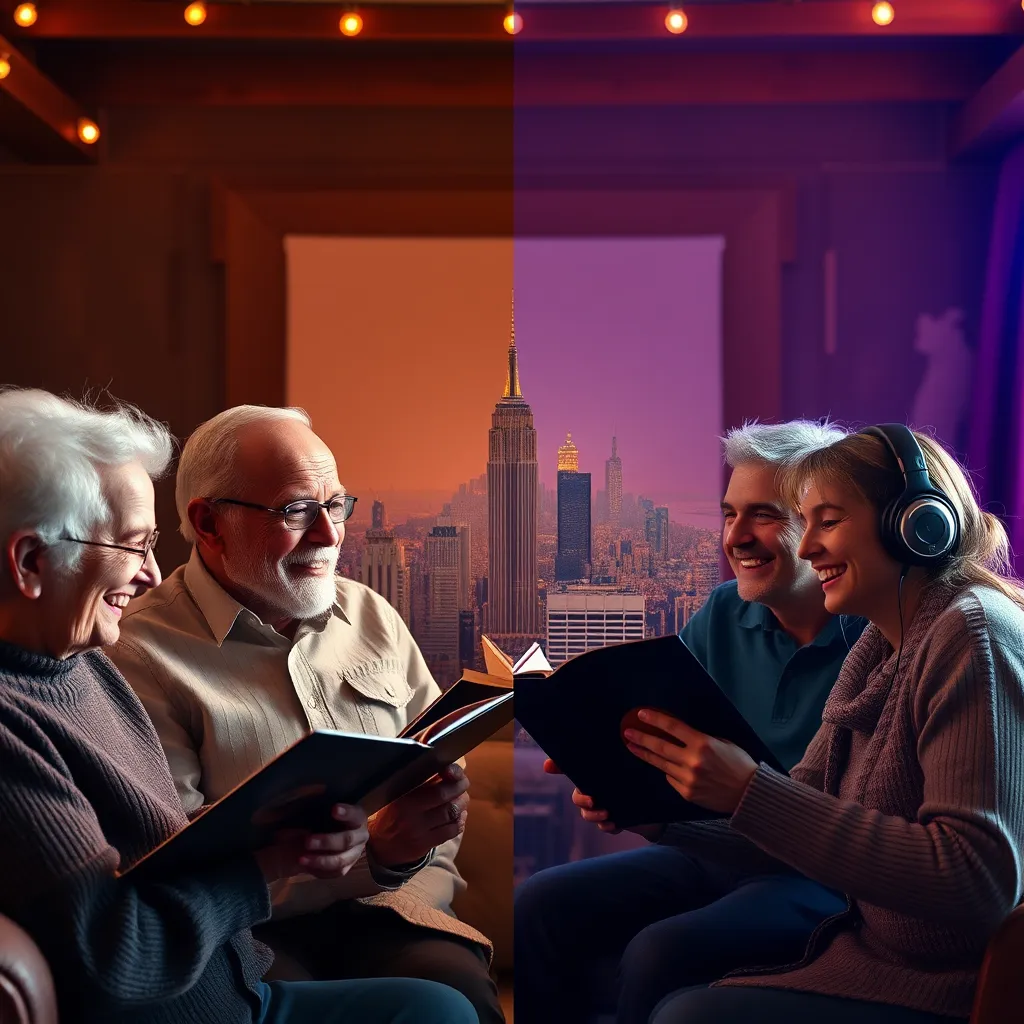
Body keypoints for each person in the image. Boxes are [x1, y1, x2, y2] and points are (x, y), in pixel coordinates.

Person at [0, 388, 477, 1024]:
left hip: (254, 966)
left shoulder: (80, 665)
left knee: (446, 997)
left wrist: (401, 852)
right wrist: (285, 864)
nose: (148, 574)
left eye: (336, 505)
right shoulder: (107, 664)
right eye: (132, 546)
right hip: (244, 958)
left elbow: (163, 860)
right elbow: (118, 944)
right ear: (32, 563)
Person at [627, 424, 1024, 1024]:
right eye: (803, 522)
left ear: (914, 525)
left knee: (685, 1013)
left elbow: (976, 881)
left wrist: (747, 789)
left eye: (827, 521)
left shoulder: (972, 633)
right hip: (866, 955)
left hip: (948, 988)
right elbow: (802, 806)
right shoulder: (882, 647)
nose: (808, 548)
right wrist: (665, 821)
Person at [515, 420, 864, 1024]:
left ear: (824, 526)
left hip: (816, 875)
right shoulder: (726, 610)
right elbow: (672, 724)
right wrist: (617, 776)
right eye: (729, 515)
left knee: (661, 950)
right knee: (541, 901)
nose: (737, 537)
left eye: (764, 515)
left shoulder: (875, 637)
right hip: (710, 848)